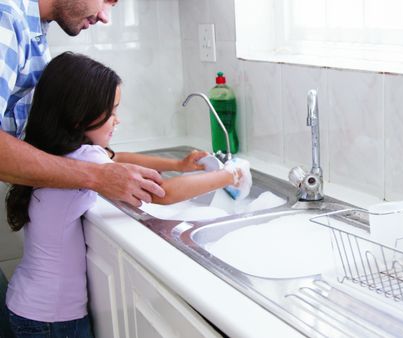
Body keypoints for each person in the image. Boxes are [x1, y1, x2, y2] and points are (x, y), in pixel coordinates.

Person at [4, 52, 245, 338]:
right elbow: (161, 193)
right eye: (112, 111)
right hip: (53, 319)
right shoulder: (86, 158)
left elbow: (116, 159)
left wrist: (177, 164)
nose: (117, 121)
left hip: (26, 304)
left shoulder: (50, 149)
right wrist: (230, 175)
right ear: (81, 115)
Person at [0, 0, 165, 206]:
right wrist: (98, 176)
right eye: (106, 0)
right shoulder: (6, 19)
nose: (105, 16)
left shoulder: (34, 30)